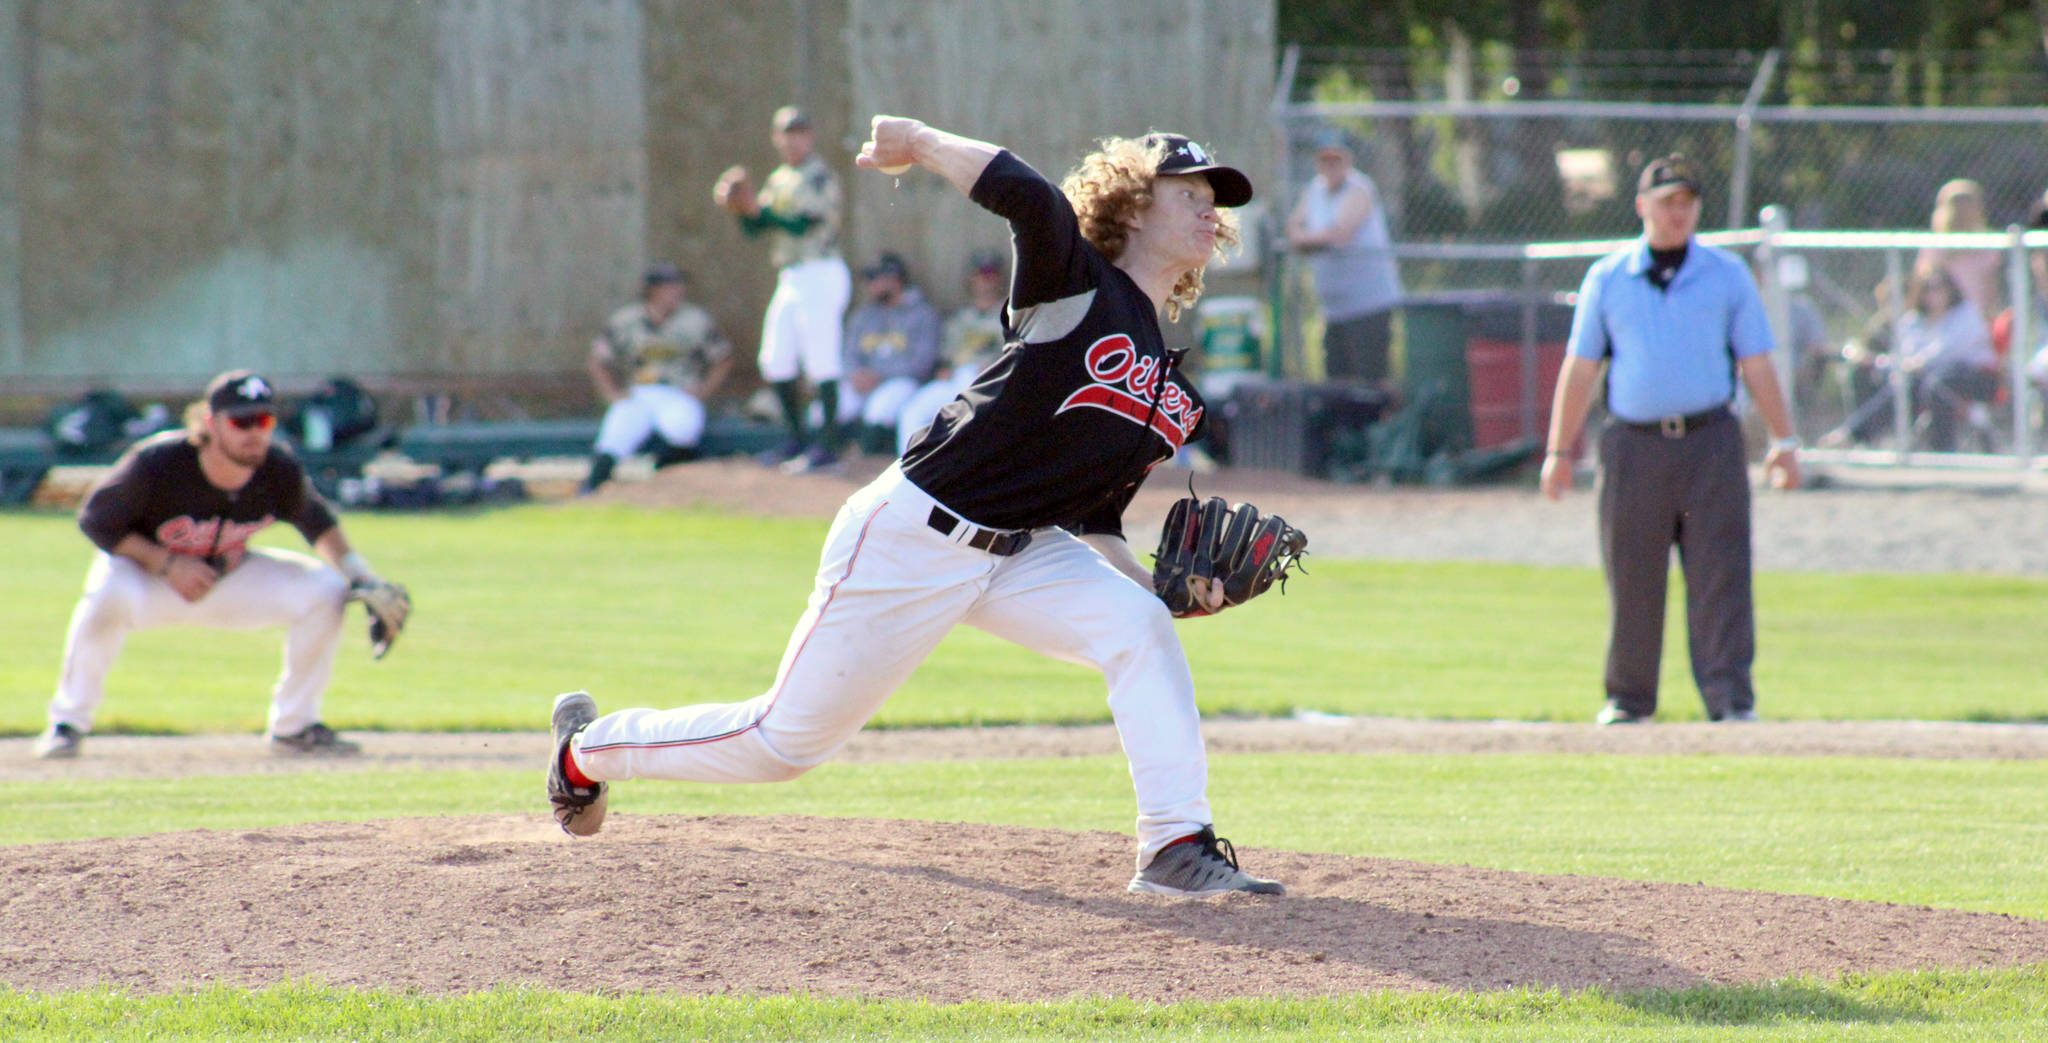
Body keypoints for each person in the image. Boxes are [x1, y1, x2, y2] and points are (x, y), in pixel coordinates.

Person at [546, 114, 1286, 899]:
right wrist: (921, 142)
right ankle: (584, 749)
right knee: (781, 744)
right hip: (912, 531)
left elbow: (1095, 521)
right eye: (1190, 191)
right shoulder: (1073, 284)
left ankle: (1174, 844)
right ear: (1134, 205)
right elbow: (1031, 198)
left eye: (1217, 199)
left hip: (1021, 552)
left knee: (1139, 630)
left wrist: (1167, 594)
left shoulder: (1170, 391)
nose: (1212, 209)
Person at [1540, 154, 1801, 726]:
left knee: (1721, 572)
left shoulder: (1726, 274)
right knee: (1633, 572)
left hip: (1710, 439)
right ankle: (1629, 699)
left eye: (1686, 202)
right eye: (1666, 202)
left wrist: (1784, 439)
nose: (1677, 213)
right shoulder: (1609, 277)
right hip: (1634, 443)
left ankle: (1730, 698)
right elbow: (1582, 369)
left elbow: (1757, 363)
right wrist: (1560, 452)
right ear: (1642, 207)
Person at [33, 370, 406, 759]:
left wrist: (362, 576)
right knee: (105, 592)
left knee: (326, 589)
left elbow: (318, 524)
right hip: (148, 578)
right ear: (210, 423)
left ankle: (295, 727)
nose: (254, 432)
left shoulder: (277, 469)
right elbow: (94, 520)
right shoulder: (160, 461)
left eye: (263, 420)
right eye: (241, 421)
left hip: (225, 580)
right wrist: (166, 563)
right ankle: (68, 723)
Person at [713, 105, 852, 473]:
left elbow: (802, 224)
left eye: (800, 132)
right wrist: (740, 209)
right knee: (775, 359)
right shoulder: (779, 178)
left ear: (810, 136)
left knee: (822, 360)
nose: (793, 139)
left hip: (820, 271)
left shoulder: (819, 175)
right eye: (786, 132)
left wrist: (756, 208)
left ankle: (829, 448)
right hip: (791, 276)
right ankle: (797, 440)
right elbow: (758, 230)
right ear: (776, 138)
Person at [581, 263, 733, 494]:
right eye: (668, 286)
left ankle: (663, 487)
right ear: (652, 290)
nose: (676, 291)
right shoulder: (627, 320)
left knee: (683, 427)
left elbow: (723, 357)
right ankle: (593, 489)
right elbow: (598, 359)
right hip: (639, 392)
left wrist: (703, 391)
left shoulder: (694, 320)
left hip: (678, 392)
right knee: (616, 432)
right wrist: (611, 394)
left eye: (678, 285)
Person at [1284, 128, 1403, 384]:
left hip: (1368, 305)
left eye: (1336, 160)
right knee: (1337, 382)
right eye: (1324, 160)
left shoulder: (1360, 188)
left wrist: (1310, 239)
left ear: (1347, 160)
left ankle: (1379, 425)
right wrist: (1313, 238)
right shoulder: (1314, 190)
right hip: (1334, 310)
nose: (1330, 166)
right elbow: (1294, 227)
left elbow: (1341, 233)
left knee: (1370, 381)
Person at [1833, 268, 1998, 452]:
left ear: (1951, 289)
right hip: (1924, 377)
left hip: (1972, 376)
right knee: (1905, 385)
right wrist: (1902, 363)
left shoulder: (1966, 314)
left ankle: (1944, 449)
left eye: (1939, 288)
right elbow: (1905, 352)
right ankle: (1854, 435)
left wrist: (1918, 362)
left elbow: (1951, 350)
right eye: (1928, 289)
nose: (1934, 294)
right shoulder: (1913, 320)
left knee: (1937, 383)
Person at [895, 248, 1010, 454]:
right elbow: (944, 359)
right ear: (971, 278)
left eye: (990, 274)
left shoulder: (1010, 316)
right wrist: (943, 368)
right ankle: (907, 464)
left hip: (988, 382)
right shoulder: (959, 319)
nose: (985, 280)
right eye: (981, 274)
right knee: (912, 411)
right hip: (955, 379)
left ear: (1000, 278)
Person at [833, 251, 941, 455]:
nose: (869, 284)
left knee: (880, 409)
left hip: (902, 381)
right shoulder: (863, 315)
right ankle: (832, 461)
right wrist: (855, 374)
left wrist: (880, 376)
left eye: (874, 277)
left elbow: (922, 364)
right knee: (824, 412)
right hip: (863, 381)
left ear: (894, 279)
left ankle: (868, 464)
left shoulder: (922, 314)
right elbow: (848, 355)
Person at [1915, 178, 2003, 326]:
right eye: (1957, 205)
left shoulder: (1985, 242)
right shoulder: (1937, 243)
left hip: (1976, 314)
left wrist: (1989, 314)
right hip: (1943, 316)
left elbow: (1991, 283)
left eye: (1968, 205)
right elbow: (1924, 277)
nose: (1963, 212)